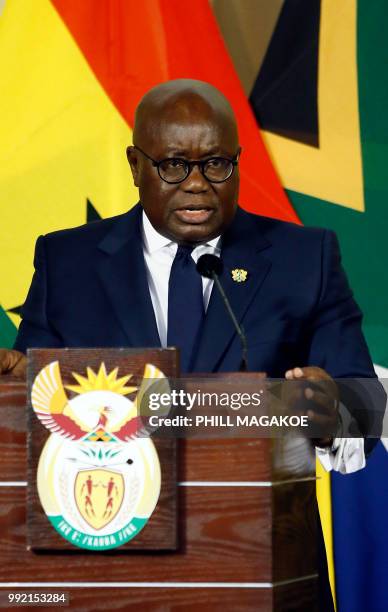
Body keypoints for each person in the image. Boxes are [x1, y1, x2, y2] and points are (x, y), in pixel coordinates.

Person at [0, 79, 384, 609]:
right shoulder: (68, 264)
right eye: (174, 165)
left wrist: (332, 408)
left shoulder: (304, 259)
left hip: (266, 573)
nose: (198, 184)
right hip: (108, 574)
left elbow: (365, 401)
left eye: (217, 164)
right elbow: (35, 404)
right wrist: (17, 389)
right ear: (136, 166)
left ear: (238, 164)